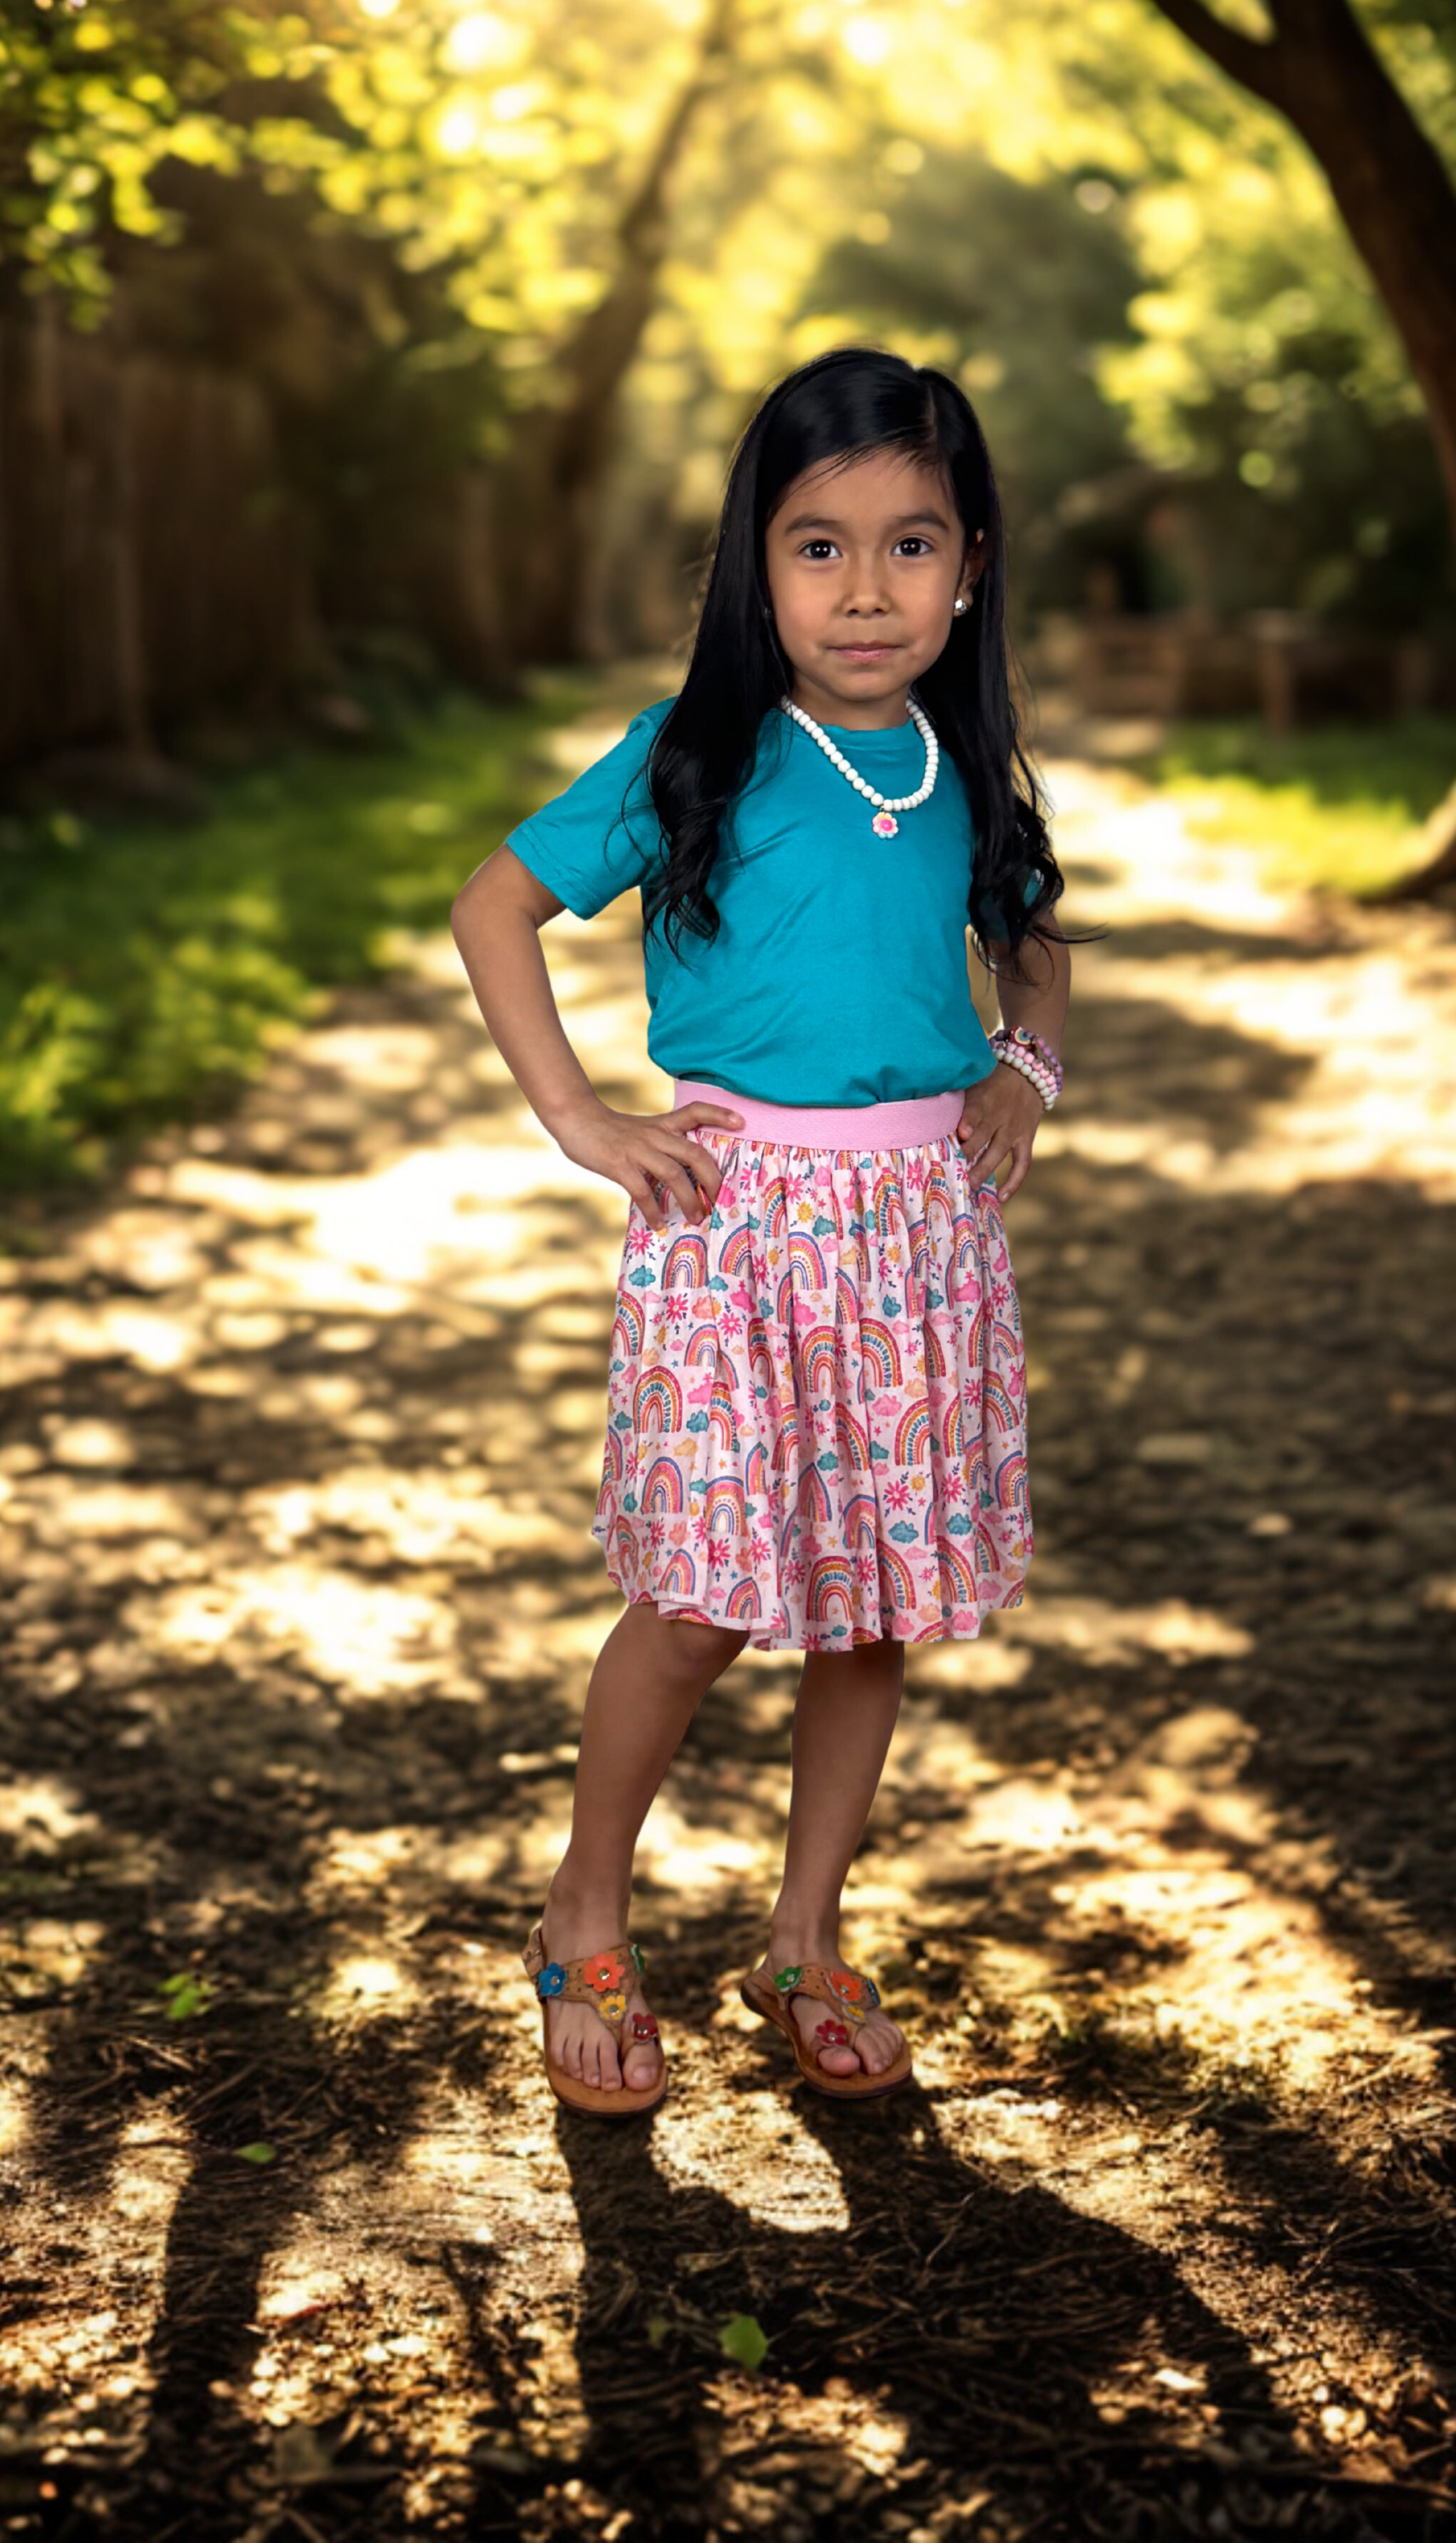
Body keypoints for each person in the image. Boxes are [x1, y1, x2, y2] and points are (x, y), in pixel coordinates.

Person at [450, 347, 1071, 2116]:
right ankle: (583, 1908)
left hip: (918, 1235)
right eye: (818, 545)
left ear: (968, 564)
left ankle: (804, 1934)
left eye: (909, 544)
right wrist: (581, 1118)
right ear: (755, 559)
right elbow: (494, 904)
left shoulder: (962, 761)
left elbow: (1028, 924)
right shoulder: (698, 756)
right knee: (701, 1598)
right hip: (738, 1229)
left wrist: (1022, 1065)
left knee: (866, 1603)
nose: (865, 588)